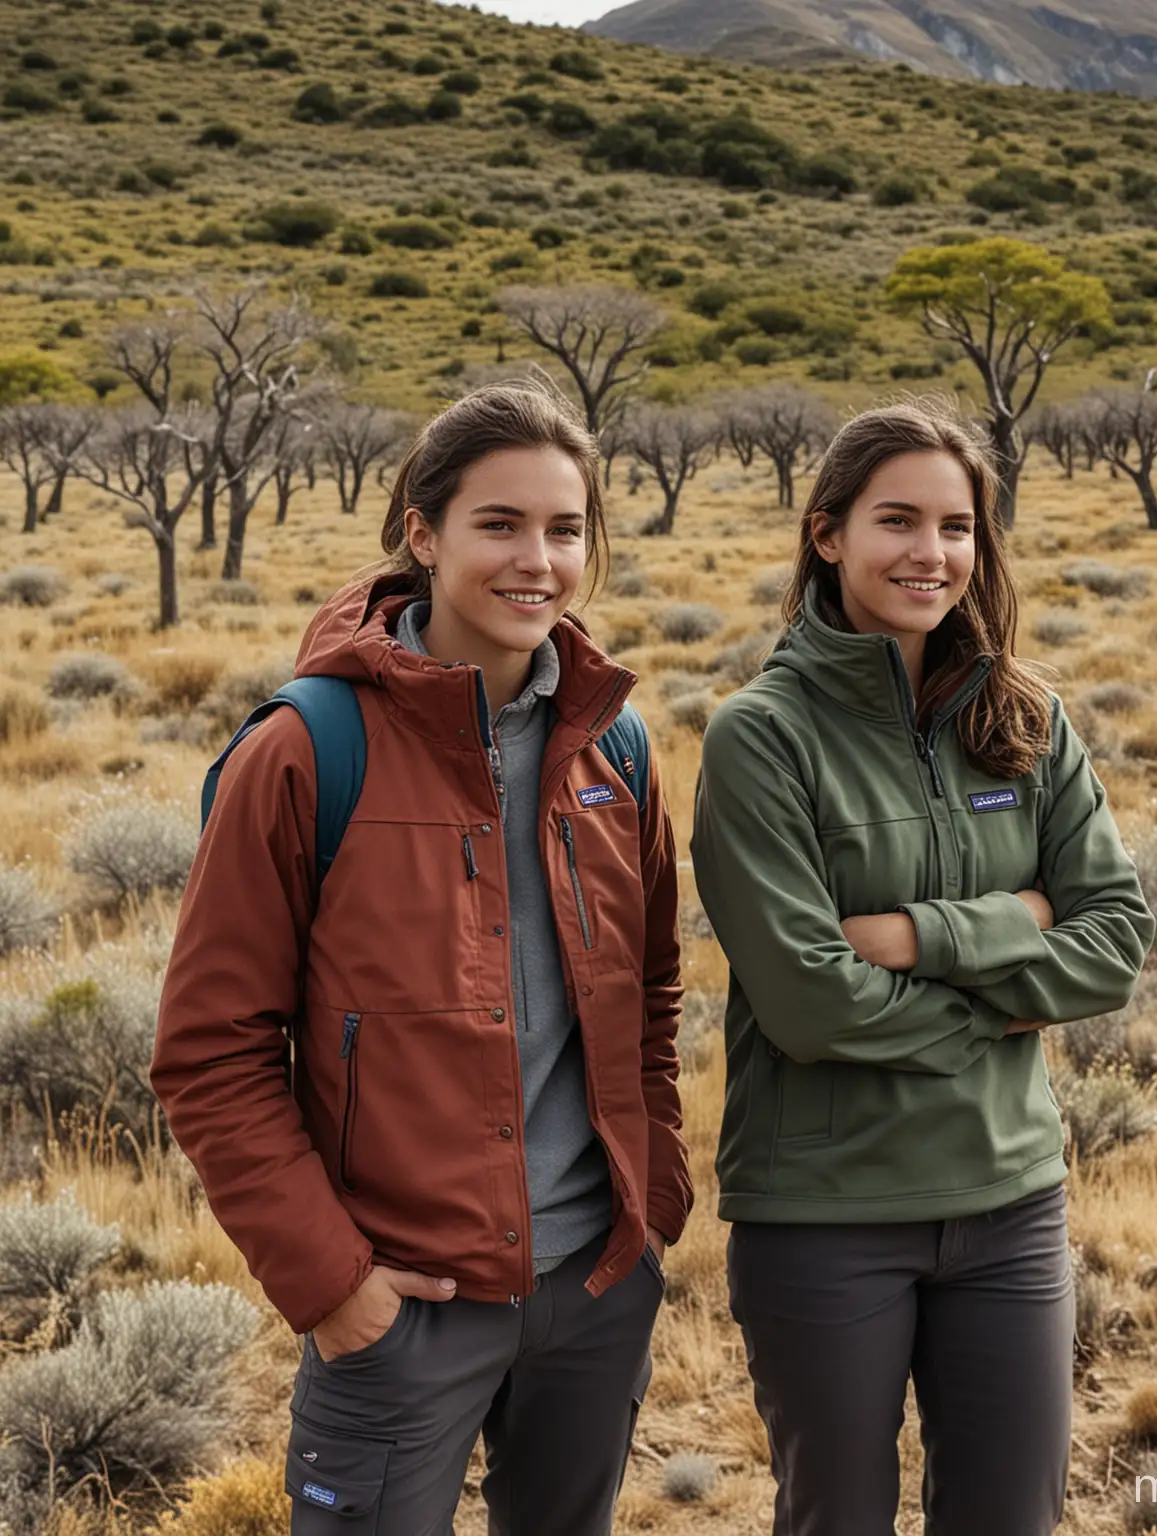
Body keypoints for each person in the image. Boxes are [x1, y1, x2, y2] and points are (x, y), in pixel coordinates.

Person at [152, 381, 690, 1535]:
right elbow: (210, 1050)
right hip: (404, 1299)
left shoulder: (616, 743)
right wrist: (332, 1283)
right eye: (498, 524)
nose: (535, 560)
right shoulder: (307, 746)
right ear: (422, 533)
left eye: (564, 528)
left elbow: (646, 998)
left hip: (593, 1283)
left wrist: (652, 1205)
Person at [691, 398, 1155, 1536]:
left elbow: (1112, 945)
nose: (930, 553)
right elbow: (806, 1002)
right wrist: (1012, 945)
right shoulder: (763, 736)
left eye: (957, 527)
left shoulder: (1027, 717)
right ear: (827, 534)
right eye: (897, 520)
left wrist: (919, 938)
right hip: (825, 1219)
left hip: (1011, 1206)